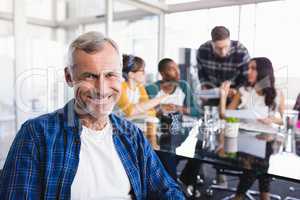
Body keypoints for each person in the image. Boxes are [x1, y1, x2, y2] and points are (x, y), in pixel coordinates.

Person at [0, 31, 184, 199]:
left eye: (111, 75)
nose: (102, 89)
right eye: (89, 76)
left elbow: (167, 189)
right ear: (69, 77)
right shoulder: (36, 134)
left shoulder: (131, 135)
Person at [219, 57, 285, 200]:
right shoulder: (243, 91)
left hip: (266, 141)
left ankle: (242, 195)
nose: (248, 71)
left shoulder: (277, 93)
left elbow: (282, 121)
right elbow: (225, 115)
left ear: (263, 71)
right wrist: (223, 96)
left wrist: (271, 119)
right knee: (259, 163)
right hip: (244, 142)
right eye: (248, 68)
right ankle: (259, 195)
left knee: (261, 160)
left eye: (253, 68)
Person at [117, 54, 169, 148]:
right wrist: (160, 98)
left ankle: (153, 147)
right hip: (120, 131)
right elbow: (130, 111)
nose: (145, 73)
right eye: (142, 70)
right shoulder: (120, 87)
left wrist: (139, 109)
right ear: (131, 74)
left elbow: (151, 112)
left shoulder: (139, 87)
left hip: (136, 128)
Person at [197, 26, 250, 106]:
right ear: (212, 43)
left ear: (229, 40)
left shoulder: (241, 51)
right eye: (218, 48)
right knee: (207, 115)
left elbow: (245, 77)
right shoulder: (202, 51)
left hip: (233, 93)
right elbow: (201, 73)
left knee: (231, 117)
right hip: (212, 92)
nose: (223, 52)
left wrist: (236, 90)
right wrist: (205, 87)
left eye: (226, 47)